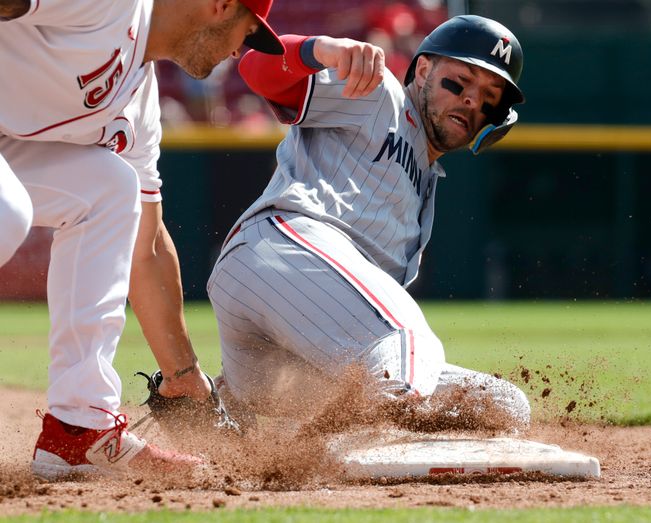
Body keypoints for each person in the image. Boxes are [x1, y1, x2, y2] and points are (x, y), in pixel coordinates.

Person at [0, 0, 283, 480]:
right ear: (219, 6)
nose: (240, 52)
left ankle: (78, 429)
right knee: (9, 212)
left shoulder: (138, 103)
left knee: (109, 189)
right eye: (247, 32)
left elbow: (146, 247)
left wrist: (184, 377)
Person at [207, 15, 532, 427]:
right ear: (425, 69)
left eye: (489, 97)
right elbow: (256, 67)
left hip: (277, 354)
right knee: (406, 339)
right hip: (279, 247)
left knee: (501, 405)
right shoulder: (381, 95)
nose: (471, 100)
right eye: (459, 82)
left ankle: (217, 412)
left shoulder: (424, 184)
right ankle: (385, 423)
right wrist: (320, 49)